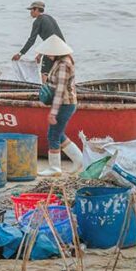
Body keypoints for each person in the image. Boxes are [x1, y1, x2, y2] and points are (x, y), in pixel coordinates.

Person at [36, 35, 83, 176]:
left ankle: (55, 168)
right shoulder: (60, 61)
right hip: (63, 103)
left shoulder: (64, 65)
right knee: (58, 133)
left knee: (53, 135)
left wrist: (53, 112)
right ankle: (79, 159)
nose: (47, 55)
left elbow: (60, 90)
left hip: (65, 104)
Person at [11, 1, 65, 77]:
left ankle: (45, 89)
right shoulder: (50, 18)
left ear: (36, 9)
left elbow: (31, 40)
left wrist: (20, 54)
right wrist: (40, 55)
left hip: (52, 49)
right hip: (64, 49)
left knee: (44, 73)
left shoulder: (38, 21)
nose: (30, 12)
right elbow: (51, 38)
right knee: (56, 73)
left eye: (31, 10)